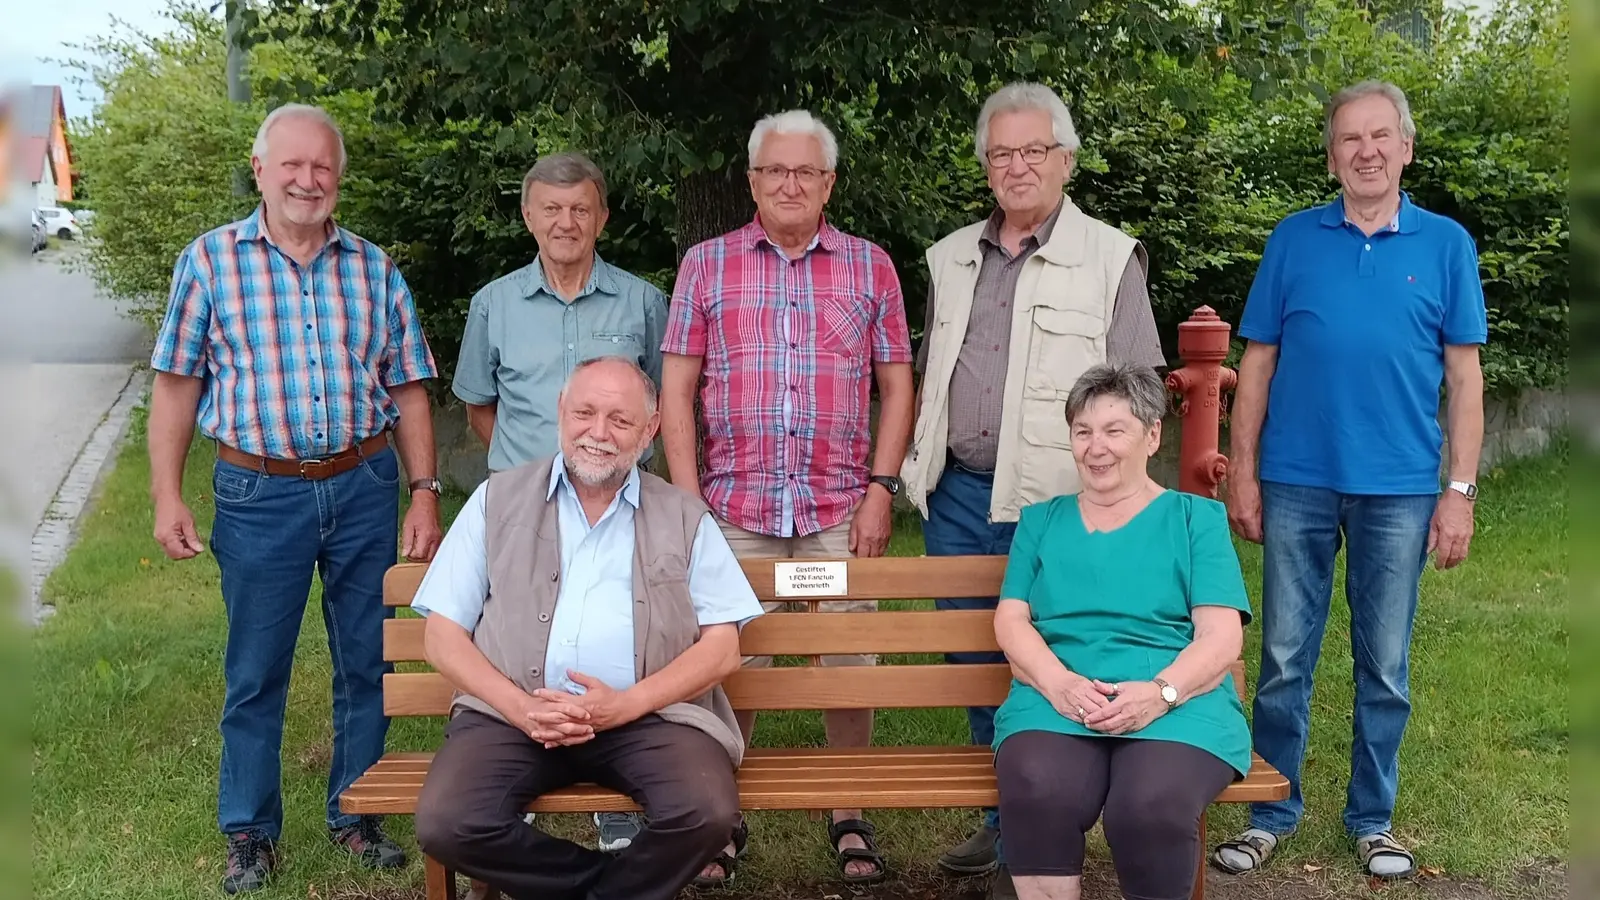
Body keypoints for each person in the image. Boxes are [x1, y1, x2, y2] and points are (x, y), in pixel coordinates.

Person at [146, 103, 443, 894]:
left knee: (367, 658)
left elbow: (410, 388)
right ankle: (249, 831)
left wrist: (423, 493)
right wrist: (166, 495)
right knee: (255, 670)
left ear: (338, 180)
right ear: (260, 171)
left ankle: (358, 811)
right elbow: (177, 386)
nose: (308, 180)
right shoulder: (209, 263)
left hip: (364, 483)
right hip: (257, 491)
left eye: (322, 168)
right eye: (292, 166)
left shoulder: (374, 269)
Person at [1211, 80, 1487, 880]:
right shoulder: (1293, 240)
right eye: (1348, 140)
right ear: (1331, 156)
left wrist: (1458, 492)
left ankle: (1372, 818)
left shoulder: (1446, 245)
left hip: (1401, 487)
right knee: (1285, 657)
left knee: (1385, 663)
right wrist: (1245, 473)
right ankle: (1270, 810)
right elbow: (1255, 365)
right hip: (1296, 480)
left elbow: (1465, 381)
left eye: (1380, 137)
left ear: (1406, 147)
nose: (1365, 151)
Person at [900, 81, 1166, 895]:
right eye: (1001, 153)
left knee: (1050, 656)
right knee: (975, 657)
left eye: (1034, 151)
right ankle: (1004, 819)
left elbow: (1138, 386)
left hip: (1056, 509)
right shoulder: (947, 257)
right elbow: (928, 376)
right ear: (986, 166)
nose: (1017, 167)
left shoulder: (1112, 256)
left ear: (1066, 159)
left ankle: (1040, 830)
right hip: (956, 498)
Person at [659, 109, 915, 886]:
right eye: (775, 170)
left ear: (830, 182)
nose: (791, 183)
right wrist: (688, 503)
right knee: (730, 663)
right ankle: (723, 808)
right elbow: (677, 388)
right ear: (752, 180)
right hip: (735, 511)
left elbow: (896, 386)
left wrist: (882, 489)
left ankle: (847, 806)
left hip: (839, 512)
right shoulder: (706, 264)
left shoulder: (872, 267)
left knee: (847, 658)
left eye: (807, 171)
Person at [410, 356, 764, 900]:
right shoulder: (496, 500)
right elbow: (441, 634)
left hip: (648, 717)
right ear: (560, 412)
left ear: (648, 432)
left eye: (620, 421)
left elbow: (722, 650)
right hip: (514, 714)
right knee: (448, 821)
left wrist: (626, 705)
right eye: (585, 413)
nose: (598, 433)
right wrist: (521, 707)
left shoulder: (685, 516)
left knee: (706, 813)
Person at [991, 363, 1253, 900]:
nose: (1096, 447)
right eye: (1083, 432)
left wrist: (1161, 693)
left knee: (1149, 804)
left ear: (1152, 435)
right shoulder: (1040, 522)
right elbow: (1012, 620)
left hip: (1179, 701)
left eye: (1115, 430)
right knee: (1039, 787)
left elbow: (1222, 637)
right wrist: (1058, 683)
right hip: (1056, 696)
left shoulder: (1195, 520)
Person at [453, 152, 669, 479]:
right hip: (523, 495)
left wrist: (612, 464)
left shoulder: (644, 303)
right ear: (528, 217)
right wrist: (526, 472)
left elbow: (665, 400)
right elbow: (478, 409)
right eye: (551, 209)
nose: (566, 223)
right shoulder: (492, 305)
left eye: (580, 210)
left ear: (601, 219)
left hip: (620, 495)